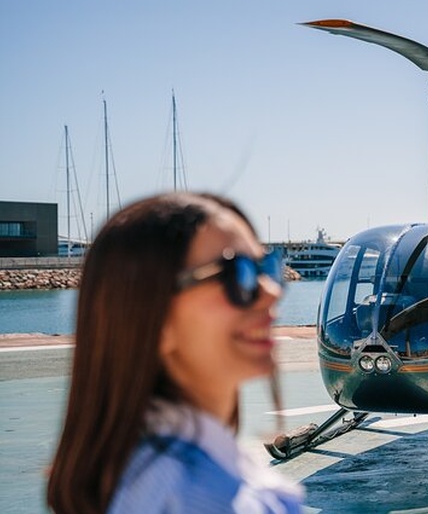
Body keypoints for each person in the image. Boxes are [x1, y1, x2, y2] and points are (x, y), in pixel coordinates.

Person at [47, 192, 303, 513]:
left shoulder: (141, 473)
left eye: (267, 268)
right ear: (152, 318)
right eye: (236, 273)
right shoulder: (199, 498)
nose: (272, 292)